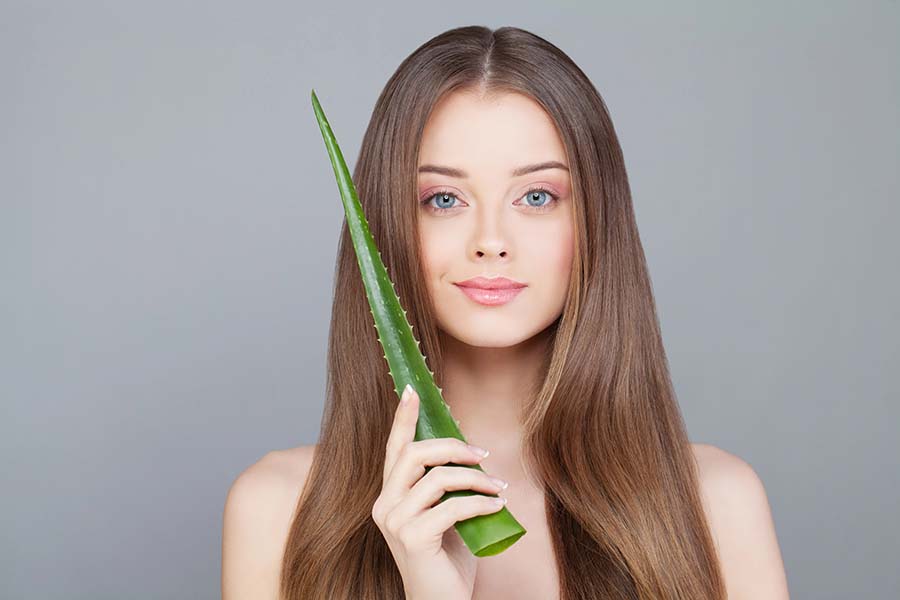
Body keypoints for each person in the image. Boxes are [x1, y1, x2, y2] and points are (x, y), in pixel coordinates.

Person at [222, 25, 790, 600]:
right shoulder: (277, 511)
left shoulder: (717, 505)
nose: (490, 241)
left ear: (594, 222)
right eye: (444, 200)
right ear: (388, 226)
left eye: (537, 197)